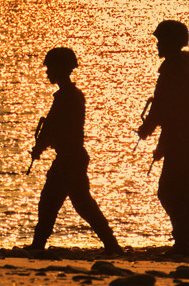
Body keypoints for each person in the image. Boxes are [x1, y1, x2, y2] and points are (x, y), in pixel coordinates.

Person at [28, 47, 122, 254]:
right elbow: (53, 127)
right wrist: (42, 145)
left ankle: (111, 244)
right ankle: (38, 245)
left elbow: (56, 127)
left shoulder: (67, 97)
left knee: (80, 204)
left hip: (70, 158)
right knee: (50, 203)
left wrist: (41, 146)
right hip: (67, 157)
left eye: (50, 68)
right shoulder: (69, 95)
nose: (47, 73)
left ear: (60, 69)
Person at [137, 20, 189, 255]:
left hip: (182, 144)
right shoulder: (183, 70)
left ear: (171, 42)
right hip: (185, 142)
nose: (157, 45)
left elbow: (163, 107)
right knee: (181, 193)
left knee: (171, 192)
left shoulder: (172, 71)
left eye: (161, 40)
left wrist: (147, 129)